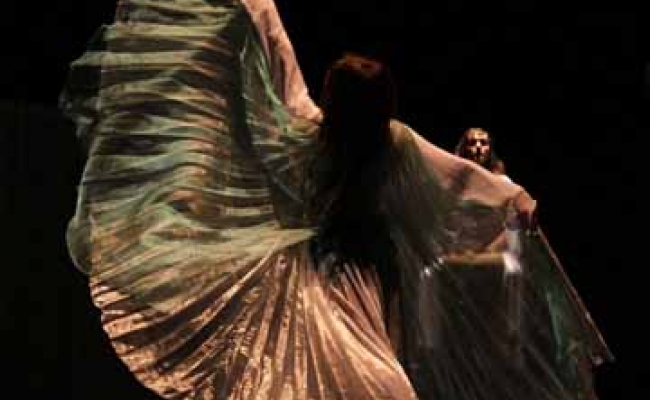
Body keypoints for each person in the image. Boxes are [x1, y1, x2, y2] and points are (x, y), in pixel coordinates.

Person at [59, 1, 612, 399]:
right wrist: (512, 197)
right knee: (356, 379)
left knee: (346, 377)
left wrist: (256, 10)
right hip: (323, 281)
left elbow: (454, 178)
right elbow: (458, 181)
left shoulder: (341, 138)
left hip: (345, 282)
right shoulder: (334, 138)